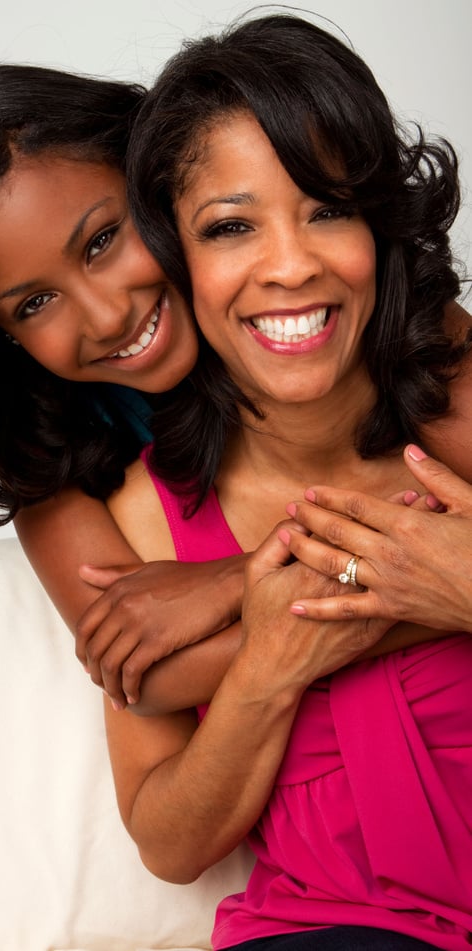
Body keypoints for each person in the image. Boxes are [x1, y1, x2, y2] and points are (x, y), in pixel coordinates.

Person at [0, 59, 471, 717]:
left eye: (103, 240)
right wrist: (428, 587)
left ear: (159, 187)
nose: (107, 316)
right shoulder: (45, 463)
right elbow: (153, 676)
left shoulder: (335, 302)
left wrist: (233, 584)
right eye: (35, 303)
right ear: (3, 339)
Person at [100, 12, 472, 949]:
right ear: (176, 263)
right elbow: (169, 842)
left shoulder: (459, 403)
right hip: (331, 928)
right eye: (231, 227)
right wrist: (267, 667)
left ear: (379, 229)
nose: (291, 265)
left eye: (328, 209)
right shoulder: (151, 514)